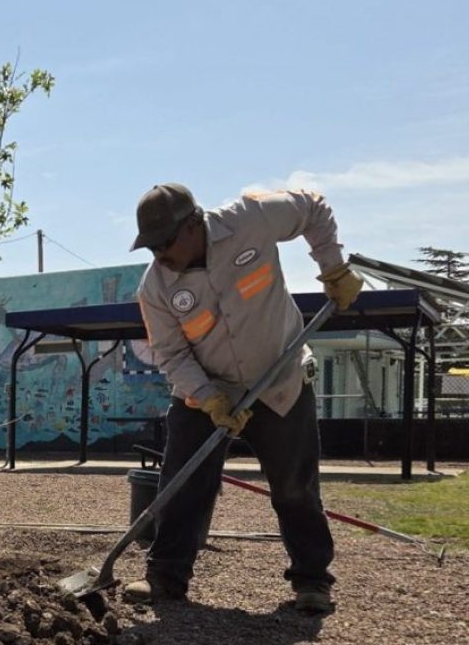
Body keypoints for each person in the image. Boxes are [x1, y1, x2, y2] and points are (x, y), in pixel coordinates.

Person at [124, 183, 363, 614]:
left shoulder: (249, 219)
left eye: (165, 243)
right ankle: (165, 577)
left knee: (295, 488)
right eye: (151, 247)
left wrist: (333, 269)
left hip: (279, 381)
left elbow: (312, 207)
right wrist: (209, 398)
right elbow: (171, 354)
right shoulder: (155, 288)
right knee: (181, 485)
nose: (158, 255)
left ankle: (312, 580)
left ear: (194, 224)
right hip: (205, 392)